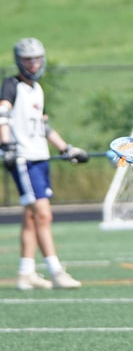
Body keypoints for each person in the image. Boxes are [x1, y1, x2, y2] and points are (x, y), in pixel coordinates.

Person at [2, 38, 87, 290]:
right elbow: (2, 114)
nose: (33, 63)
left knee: (31, 217)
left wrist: (66, 148)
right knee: (43, 214)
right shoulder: (11, 85)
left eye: (37, 58)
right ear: (20, 61)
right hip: (23, 159)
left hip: (40, 158)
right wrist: (6, 145)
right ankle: (56, 270)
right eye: (28, 59)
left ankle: (26, 272)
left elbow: (43, 126)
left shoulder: (37, 89)